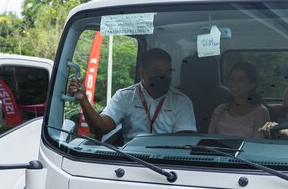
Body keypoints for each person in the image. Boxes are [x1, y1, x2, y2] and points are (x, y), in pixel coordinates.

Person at [67, 48, 196, 142]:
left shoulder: (181, 101)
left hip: (167, 163)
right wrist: (83, 100)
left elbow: (183, 143)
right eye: (158, 72)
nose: (164, 77)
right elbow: (102, 128)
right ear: (142, 73)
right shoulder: (125, 96)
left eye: (168, 72)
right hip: (131, 161)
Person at [207, 61, 269, 138]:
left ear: (252, 85)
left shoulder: (260, 112)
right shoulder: (220, 110)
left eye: (240, 80)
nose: (234, 83)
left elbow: (258, 144)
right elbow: (209, 139)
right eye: (231, 79)